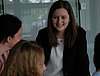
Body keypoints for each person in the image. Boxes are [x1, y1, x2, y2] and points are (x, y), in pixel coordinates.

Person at [36, 0, 90, 76]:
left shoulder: (79, 34)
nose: (59, 21)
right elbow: (35, 61)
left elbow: (83, 64)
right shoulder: (43, 34)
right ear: (50, 18)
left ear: (70, 18)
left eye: (63, 17)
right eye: (55, 17)